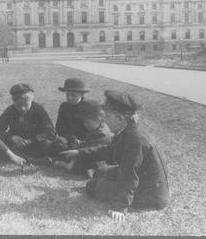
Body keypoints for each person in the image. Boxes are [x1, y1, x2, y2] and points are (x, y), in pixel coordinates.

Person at [67, 90, 169, 222]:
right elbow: (110, 150)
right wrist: (80, 153)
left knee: (91, 186)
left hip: (150, 194)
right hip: (147, 182)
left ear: (120, 118)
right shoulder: (129, 131)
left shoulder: (134, 140)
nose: (105, 120)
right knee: (101, 171)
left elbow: (130, 175)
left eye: (107, 117)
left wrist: (120, 207)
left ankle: (108, 189)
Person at [51, 78, 113, 175]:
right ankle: (68, 160)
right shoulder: (64, 107)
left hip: (87, 141)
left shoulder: (89, 108)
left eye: (73, 95)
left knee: (89, 156)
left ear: (82, 95)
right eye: (67, 95)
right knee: (59, 143)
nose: (69, 98)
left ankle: (73, 164)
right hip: (70, 140)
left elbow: (91, 130)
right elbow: (59, 127)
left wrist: (81, 142)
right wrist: (72, 139)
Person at [0, 83, 57, 159]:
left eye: (26, 105)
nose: (22, 108)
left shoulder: (39, 110)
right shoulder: (10, 111)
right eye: (18, 106)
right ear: (14, 102)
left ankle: (21, 157)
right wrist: (11, 137)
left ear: (31, 100)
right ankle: (30, 158)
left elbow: (50, 132)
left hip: (35, 144)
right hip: (16, 144)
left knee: (49, 145)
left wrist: (31, 140)